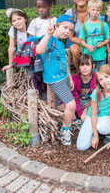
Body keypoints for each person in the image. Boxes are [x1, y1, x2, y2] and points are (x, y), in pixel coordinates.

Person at [35, 14, 76, 146]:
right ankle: (66, 131)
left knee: (62, 105)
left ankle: (70, 121)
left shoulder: (59, 42)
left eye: (70, 30)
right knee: (71, 105)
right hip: (54, 79)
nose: (67, 32)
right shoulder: (51, 39)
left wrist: (70, 78)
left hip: (63, 77)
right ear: (56, 26)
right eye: (65, 27)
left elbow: (64, 62)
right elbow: (39, 50)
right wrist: (48, 34)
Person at [79, 0, 110, 69]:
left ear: (100, 11)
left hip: (101, 56)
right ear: (88, 10)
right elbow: (82, 40)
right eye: (93, 10)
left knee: (101, 73)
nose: (95, 12)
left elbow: (108, 39)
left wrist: (102, 44)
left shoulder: (104, 25)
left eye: (97, 10)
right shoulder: (84, 25)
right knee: (89, 74)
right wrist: (87, 46)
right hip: (88, 57)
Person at [65, 0, 90, 69]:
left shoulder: (93, 11)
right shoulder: (70, 13)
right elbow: (69, 35)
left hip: (90, 40)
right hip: (74, 41)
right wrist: (83, 43)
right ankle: (79, 72)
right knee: (75, 50)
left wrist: (88, 44)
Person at [71, 54, 96, 123]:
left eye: (88, 65)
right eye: (82, 65)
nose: (85, 68)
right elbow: (75, 98)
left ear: (93, 66)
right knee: (64, 106)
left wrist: (87, 109)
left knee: (85, 117)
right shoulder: (74, 79)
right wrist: (80, 113)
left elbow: (99, 96)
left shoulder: (97, 77)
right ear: (78, 67)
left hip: (93, 102)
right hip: (80, 101)